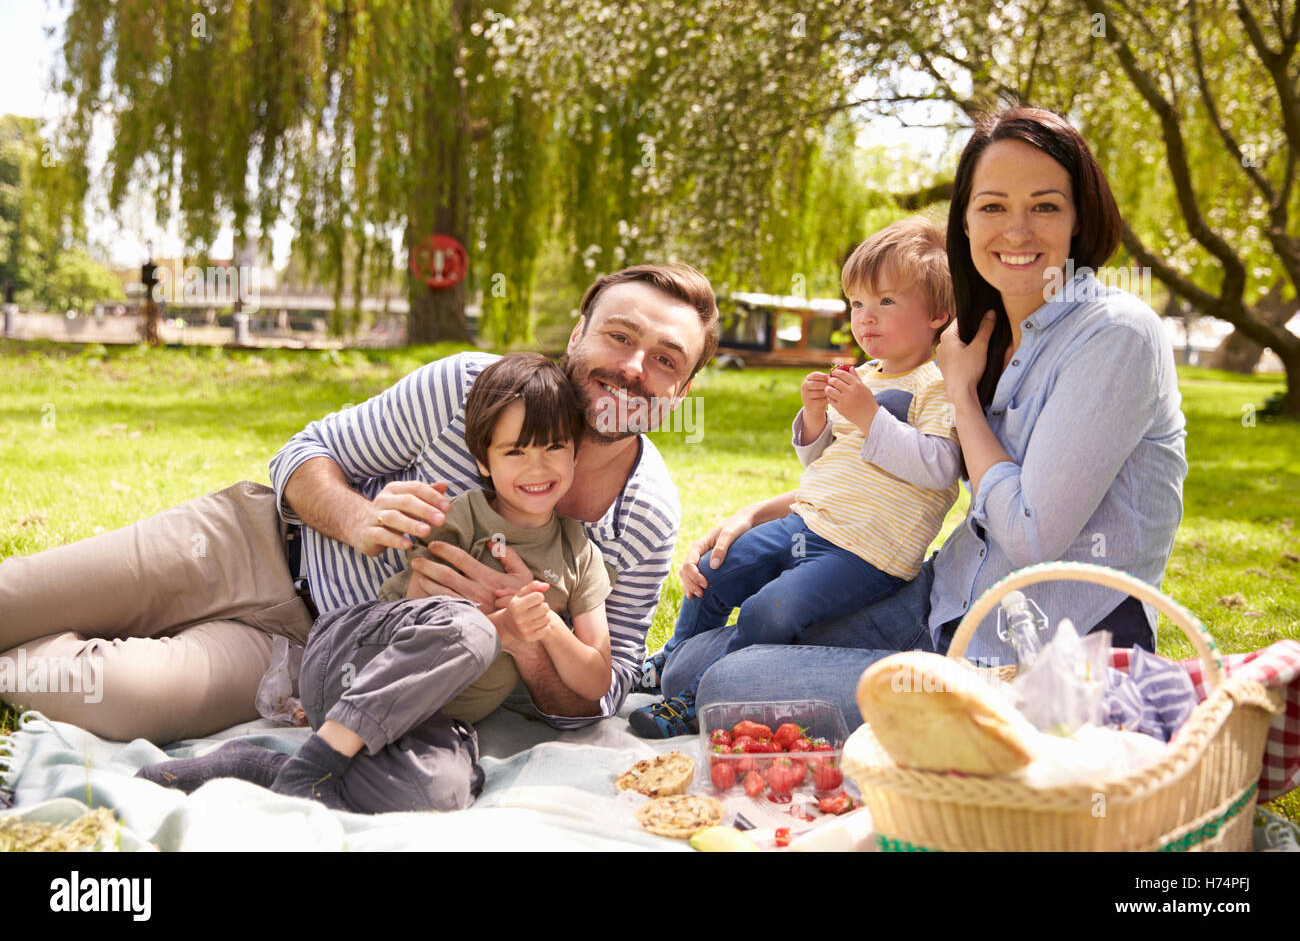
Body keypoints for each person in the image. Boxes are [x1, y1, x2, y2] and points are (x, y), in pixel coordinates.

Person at [0, 263, 718, 745]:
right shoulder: (471, 386)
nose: (632, 368)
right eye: (620, 336)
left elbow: (601, 695)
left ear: (681, 394)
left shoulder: (646, 515)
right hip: (251, 545)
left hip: (306, 661)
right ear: (578, 335)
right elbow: (302, 454)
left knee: (98, 691)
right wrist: (357, 517)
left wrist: (526, 640)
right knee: (15, 598)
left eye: (665, 361)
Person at [661, 107, 1187, 730]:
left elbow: (1029, 535)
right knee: (685, 668)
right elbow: (900, 472)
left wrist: (963, 392)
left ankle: (943, 716)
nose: (1016, 230)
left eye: (1045, 206)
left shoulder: (1114, 335)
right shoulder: (988, 334)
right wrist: (759, 512)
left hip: (1033, 660)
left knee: (728, 681)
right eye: (992, 206)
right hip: (941, 601)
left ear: (1080, 217)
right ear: (964, 221)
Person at [136, 353, 615, 811]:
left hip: (420, 722)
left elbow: (595, 680)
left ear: (576, 456)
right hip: (354, 666)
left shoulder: (579, 554)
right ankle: (313, 769)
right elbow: (406, 608)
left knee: (441, 793)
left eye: (555, 447)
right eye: (516, 451)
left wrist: (547, 627)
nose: (538, 467)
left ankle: (264, 767)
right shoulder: (458, 519)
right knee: (470, 629)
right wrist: (499, 625)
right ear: (484, 462)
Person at [630, 217, 961, 738]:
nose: (865, 319)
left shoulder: (939, 384)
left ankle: (699, 699)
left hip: (866, 554)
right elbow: (823, 463)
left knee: (770, 612)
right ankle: (669, 658)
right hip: (809, 523)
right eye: (856, 304)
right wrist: (814, 420)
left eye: (887, 303)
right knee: (717, 570)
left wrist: (869, 415)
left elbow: (940, 467)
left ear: (938, 314)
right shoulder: (866, 376)